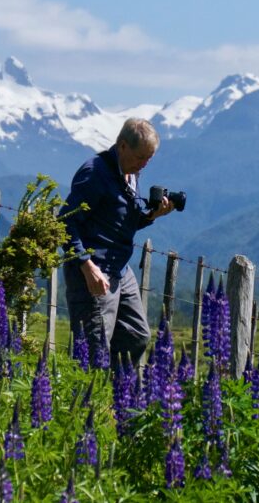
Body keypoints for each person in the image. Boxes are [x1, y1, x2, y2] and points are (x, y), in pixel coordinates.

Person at [61, 118, 175, 367]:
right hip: (94, 271)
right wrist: (87, 266)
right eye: (140, 157)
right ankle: (88, 400)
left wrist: (151, 216)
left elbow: (119, 222)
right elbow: (65, 223)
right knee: (93, 351)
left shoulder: (129, 173)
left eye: (149, 159)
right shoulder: (95, 173)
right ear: (123, 146)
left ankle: (116, 394)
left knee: (136, 335)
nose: (143, 164)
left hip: (120, 269)